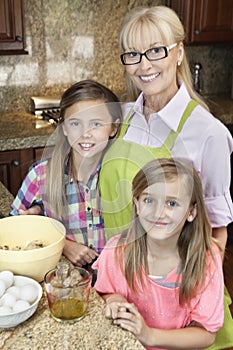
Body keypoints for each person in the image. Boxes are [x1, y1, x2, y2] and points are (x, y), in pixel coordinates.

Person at [99, 5, 233, 257]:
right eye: (133, 54)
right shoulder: (122, 117)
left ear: (179, 52)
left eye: (156, 51)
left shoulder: (208, 133)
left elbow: (216, 231)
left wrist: (192, 292)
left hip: (175, 283)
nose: (144, 65)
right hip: (118, 274)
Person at [93, 158, 224, 350]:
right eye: (149, 200)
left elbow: (206, 335)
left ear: (191, 212)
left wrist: (149, 335)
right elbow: (104, 292)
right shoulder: (116, 251)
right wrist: (114, 300)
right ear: (137, 205)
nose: (158, 213)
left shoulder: (206, 259)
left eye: (171, 203)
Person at [10, 79, 122, 267]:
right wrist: (63, 244)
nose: (85, 133)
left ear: (113, 128)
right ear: (64, 128)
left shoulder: (122, 176)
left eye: (96, 124)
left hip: (116, 284)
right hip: (67, 282)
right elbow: (15, 232)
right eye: (76, 123)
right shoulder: (40, 177)